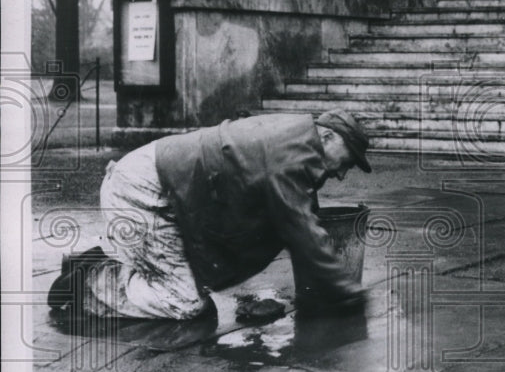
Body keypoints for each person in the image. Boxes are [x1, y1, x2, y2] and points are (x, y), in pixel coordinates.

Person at [48, 110, 372, 321]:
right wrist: (343, 288)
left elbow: (300, 212)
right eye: (346, 162)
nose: (343, 174)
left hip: (155, 187)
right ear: (328, 137)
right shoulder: (292, 155)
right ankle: (90, 281)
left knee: (188, 286)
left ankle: (114, 253)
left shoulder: (295, 134)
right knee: (185, 304)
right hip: (141, 194)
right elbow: (300, 225)